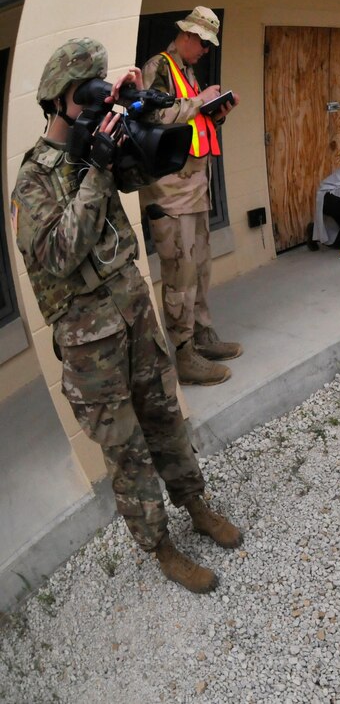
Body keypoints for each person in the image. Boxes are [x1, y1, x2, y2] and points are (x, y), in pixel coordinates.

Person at [11, 38, 242, 595]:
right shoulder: (33, 180)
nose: (93, 104)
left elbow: (146, 173)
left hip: (134, 314)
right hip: (90, 341)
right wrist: (96, 168)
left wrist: (149, 114)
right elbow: (61, 254)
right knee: (127, 447)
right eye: (85, 93)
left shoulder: (99, 145)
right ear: (60, 100)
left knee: (165, 419)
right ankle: (161, 547)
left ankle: (195, 505)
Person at [139, 6, 242, 386]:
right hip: (170, 195)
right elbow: (150, 118)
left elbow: (188, 122)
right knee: (179, 275)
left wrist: (215, 113)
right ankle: (183, 354)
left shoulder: (188, 72)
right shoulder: (159, 67)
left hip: (195, 189)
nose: (205, 51)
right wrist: (201, 100)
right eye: (203, 44)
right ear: (188, 36)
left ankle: (201, 337)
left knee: (199, 268)